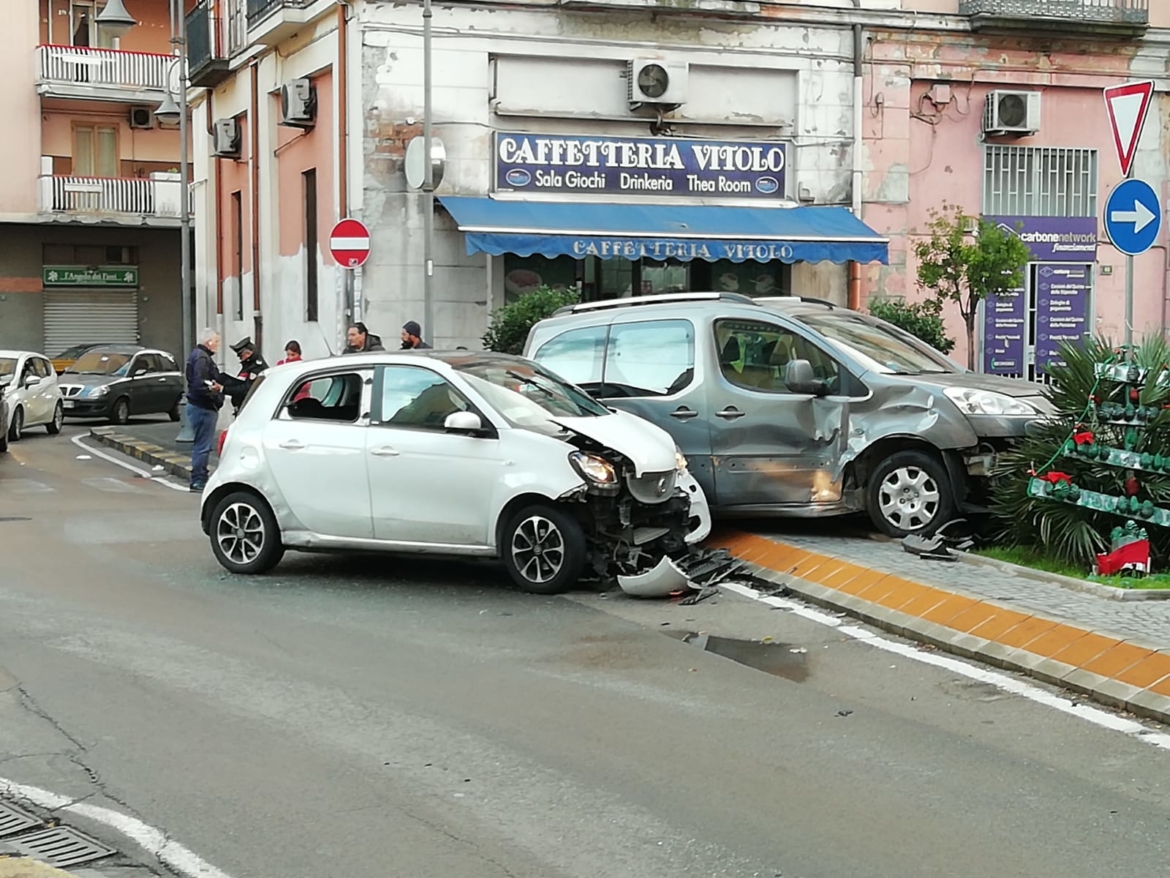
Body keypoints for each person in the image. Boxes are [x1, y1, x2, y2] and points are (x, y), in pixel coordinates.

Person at [186, 329, 226, 493]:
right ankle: (198, 479)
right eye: (216, 341)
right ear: (208, 342)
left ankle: (199, 477)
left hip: (199, 405)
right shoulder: (202, 358)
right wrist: (215, 393)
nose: (218, 345)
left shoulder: (197, 355)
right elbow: (201, 383)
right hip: (203, 406)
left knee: (201, 444)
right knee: (203, 445)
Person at [226, 337, 270, 413]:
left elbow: (247, 389)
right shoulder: (247, 366)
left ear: (248, 353)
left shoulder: (257, 368)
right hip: (243, 409)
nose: (241, 359)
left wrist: (224, 389)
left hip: (252, 410)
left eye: (241, 356)